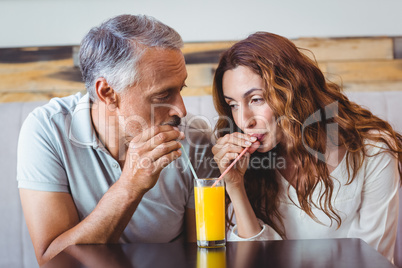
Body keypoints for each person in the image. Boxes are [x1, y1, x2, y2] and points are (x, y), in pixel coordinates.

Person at [17, 14, 217, 265]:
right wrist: (130, 187)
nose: (181, 110)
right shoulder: (47, 130)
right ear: (107, 93)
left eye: (181, 88)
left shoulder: (194, 136)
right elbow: (52, 260)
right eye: (163, 94)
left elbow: (203, 254)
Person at [211, 31, 402, 261]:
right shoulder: (252, 166)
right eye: (233, 105)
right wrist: (235, 186)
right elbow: (254, 260)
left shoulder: (373, 152)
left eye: (256, 99)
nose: (244, 121)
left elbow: (371, 259)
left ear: (292, 90)